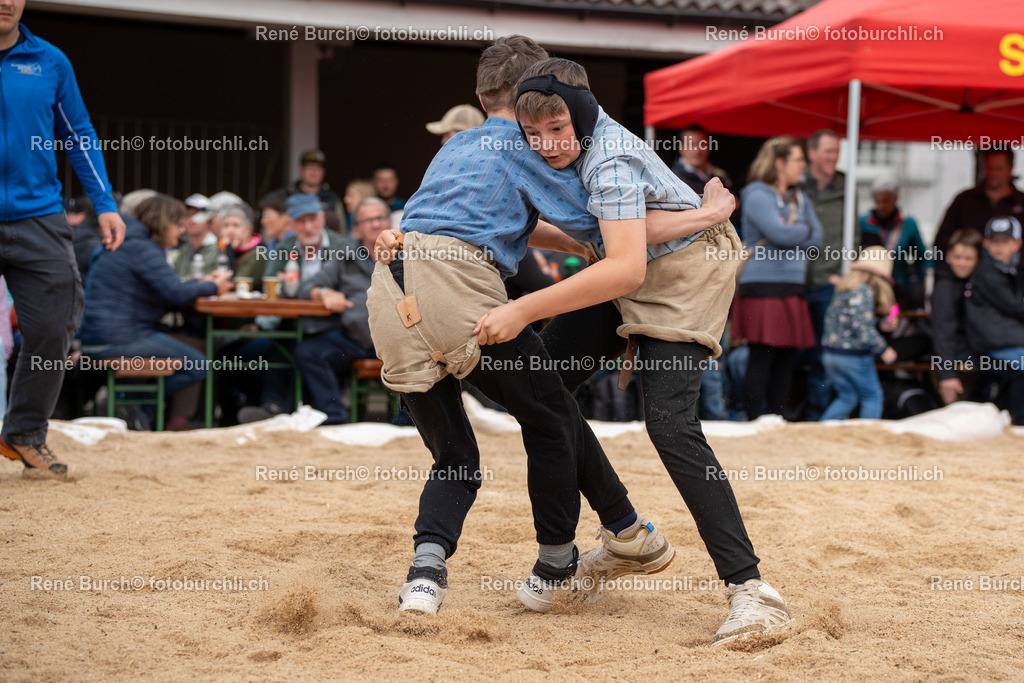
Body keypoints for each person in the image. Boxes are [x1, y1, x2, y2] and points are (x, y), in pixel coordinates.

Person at [370, 36, 709, 619]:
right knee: (552, 415)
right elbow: (607, 229)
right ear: (536, 95)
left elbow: (509, 221)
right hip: (459, 290)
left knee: (456, 457)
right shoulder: (525, 146)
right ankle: (557, 560)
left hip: (389, 292)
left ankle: (426, 574)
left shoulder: (455, 146)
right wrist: (704, 214)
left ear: (479, 95)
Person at [499, 57, 790, 646]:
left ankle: (752, 590)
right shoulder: (551, 140)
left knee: (670, 424)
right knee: (541, 388)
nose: (547, 145)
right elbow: (609, 233)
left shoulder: (608, 158)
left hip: (683, 275)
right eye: (534, 135)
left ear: (579, 115)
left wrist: (523, 308)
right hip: (633, 260)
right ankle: (629, 534)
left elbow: (624, 262)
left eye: (557, 129)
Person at [0, 1, 126, 475]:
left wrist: (106, 204)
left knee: (54, 327)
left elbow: (79, 134)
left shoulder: (50, 60)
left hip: (39, 218)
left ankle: (25, 432)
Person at [78, 195, 232, 428]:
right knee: (198, 365)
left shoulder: (129, 241)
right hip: (118, 337)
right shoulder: (142, 247)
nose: (182, 230)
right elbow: (175, 291)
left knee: (195, 347)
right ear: (163, 222)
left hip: (102, 334)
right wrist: (213, 286)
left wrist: (199, 283)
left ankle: (136, 410)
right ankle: (129, 403)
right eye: (178, 224)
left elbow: (168, 288)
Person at [732, 138, 823, 421]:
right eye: (798, 160)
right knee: (761, 356)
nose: (803, 166)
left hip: (791, 287)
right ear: (780, 164)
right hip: (762, 287)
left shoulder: (800, 197)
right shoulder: (757, 194)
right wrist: (802, 228)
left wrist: (795, 229)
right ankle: (754, 419)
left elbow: (817, 241)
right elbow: (781, 234)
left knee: (786, 358)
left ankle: (777, 419)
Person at [295, 198, 385, 424]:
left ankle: (407, 422)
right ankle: (335, 416)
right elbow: (307, 287)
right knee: (309, 352)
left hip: (400, 341)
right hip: (357, 340)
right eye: (368, 220)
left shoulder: (408, 254)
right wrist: (323, 293)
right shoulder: (346, 254)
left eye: (380, 218)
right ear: (356, 229)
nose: (376, 224)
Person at [800, 129, 853, 421]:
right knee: (790, 352)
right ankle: (780, 414)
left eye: (836, 151)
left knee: (824, 356)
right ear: (812, 154)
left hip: (828, 283)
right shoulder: (797, 182)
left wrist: (843, 273)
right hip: (795, 282)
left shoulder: (848, 185)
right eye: (828, 151)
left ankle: (815, 417)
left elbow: (853, 235)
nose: (834, 157)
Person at [819, 247, 899, 420]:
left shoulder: (843, 288)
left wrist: (881, 325)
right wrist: (883, 348)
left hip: (831, 354)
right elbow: (861, 326)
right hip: (853, 357)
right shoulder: (863, 291)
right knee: (872, 396)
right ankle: (869, 436)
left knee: (847, 397)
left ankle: (822, 430)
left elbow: (848, 321)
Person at [964, 216, 1024, 425]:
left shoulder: (1009, 270)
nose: (999, 247)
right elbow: (1015, 306)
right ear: (986, 243)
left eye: (1005, 242)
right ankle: (1020, 423)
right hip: (992, 343)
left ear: (1017, 244)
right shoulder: (987, 271)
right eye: (995, 241)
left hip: (1006, 339)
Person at [935, 150, 1024, 276]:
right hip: (968, 276)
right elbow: (942, 241)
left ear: (1010, 168)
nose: (993, 173)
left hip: (1014, 277)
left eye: (999, 168)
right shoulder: (965, 200)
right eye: (989, 167)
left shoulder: (1021, 202)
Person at [859, 177, 931, 309]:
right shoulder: (863, 222)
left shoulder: (908, 225)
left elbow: (922, 257)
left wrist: (923, 286)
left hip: (898, 289)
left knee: (893, 320)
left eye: (885, 201)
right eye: (877, 201)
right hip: (868, 287)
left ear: (895, 198)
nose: (880, 206)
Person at [930, 230, 982, 405]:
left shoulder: (979, 282)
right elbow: (943, 333)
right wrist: (947, 374)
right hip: (957, 361)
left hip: (977, 355)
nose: (962, 263)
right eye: (958, 257)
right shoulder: (945, 288)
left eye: (968, 258)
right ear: (949, 255)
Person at [219, 204, 264, 282]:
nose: (230, 230)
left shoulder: (259, 252)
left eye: (236, 225)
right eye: (226, 225)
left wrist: (229, 249)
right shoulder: (221, 248)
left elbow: (237, 283)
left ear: (248, 229)